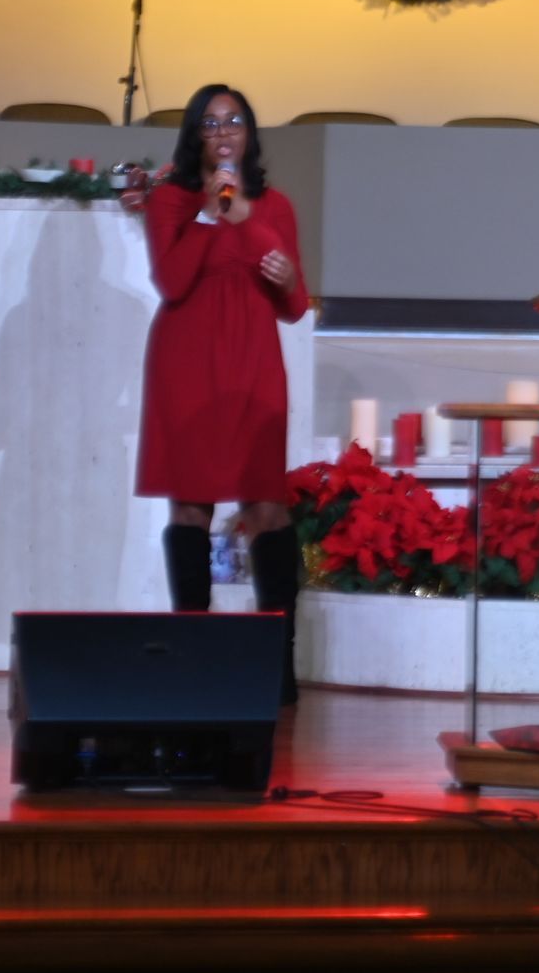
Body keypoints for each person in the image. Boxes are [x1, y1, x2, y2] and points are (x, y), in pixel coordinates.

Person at [135, 84, 310, 702]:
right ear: (195, 138)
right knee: (190, 506)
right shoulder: (171, 201)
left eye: (233, 121)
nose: (223, 132)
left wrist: (275, 263)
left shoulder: (275, 205)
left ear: (249, 133)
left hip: (253, 362)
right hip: (186, 364)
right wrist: (210, 215)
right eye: (210, 124)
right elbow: (173, 282)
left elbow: (295, 304)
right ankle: (192, 653)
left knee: (266, 508)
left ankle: (278, 662)